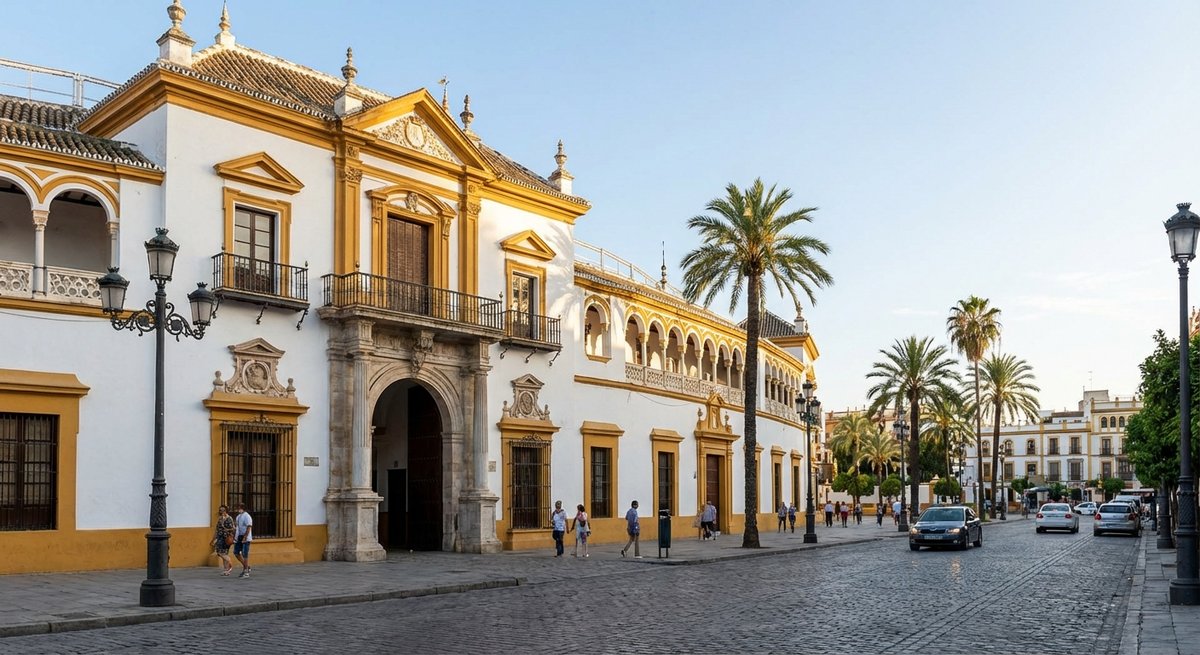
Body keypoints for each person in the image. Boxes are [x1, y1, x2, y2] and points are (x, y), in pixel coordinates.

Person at [210, 504, 235, 576]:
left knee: (220, 552)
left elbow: (233, 528)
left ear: (226, 510)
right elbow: (217, 530)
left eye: (223, 510)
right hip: (220, 537)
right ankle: (226, 570)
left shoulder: (229, 518)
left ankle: (229, 561)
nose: (221, 511)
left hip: (226, 538)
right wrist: (213, 539)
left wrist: (226, 529)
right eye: (220, 510)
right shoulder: (220, 518)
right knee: (223, 553)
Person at [233, 502, 253, 578]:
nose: (237, 509)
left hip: (246, 537)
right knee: (236, 552)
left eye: (238, 508)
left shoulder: (247, 516)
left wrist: (245, 537)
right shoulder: (238, 516)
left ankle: (246, 571)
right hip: (239, 536)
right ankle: (247, 566)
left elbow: (249, 527)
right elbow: (237, 527)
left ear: (242, 508)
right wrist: (236, 536)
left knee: (245, 554)